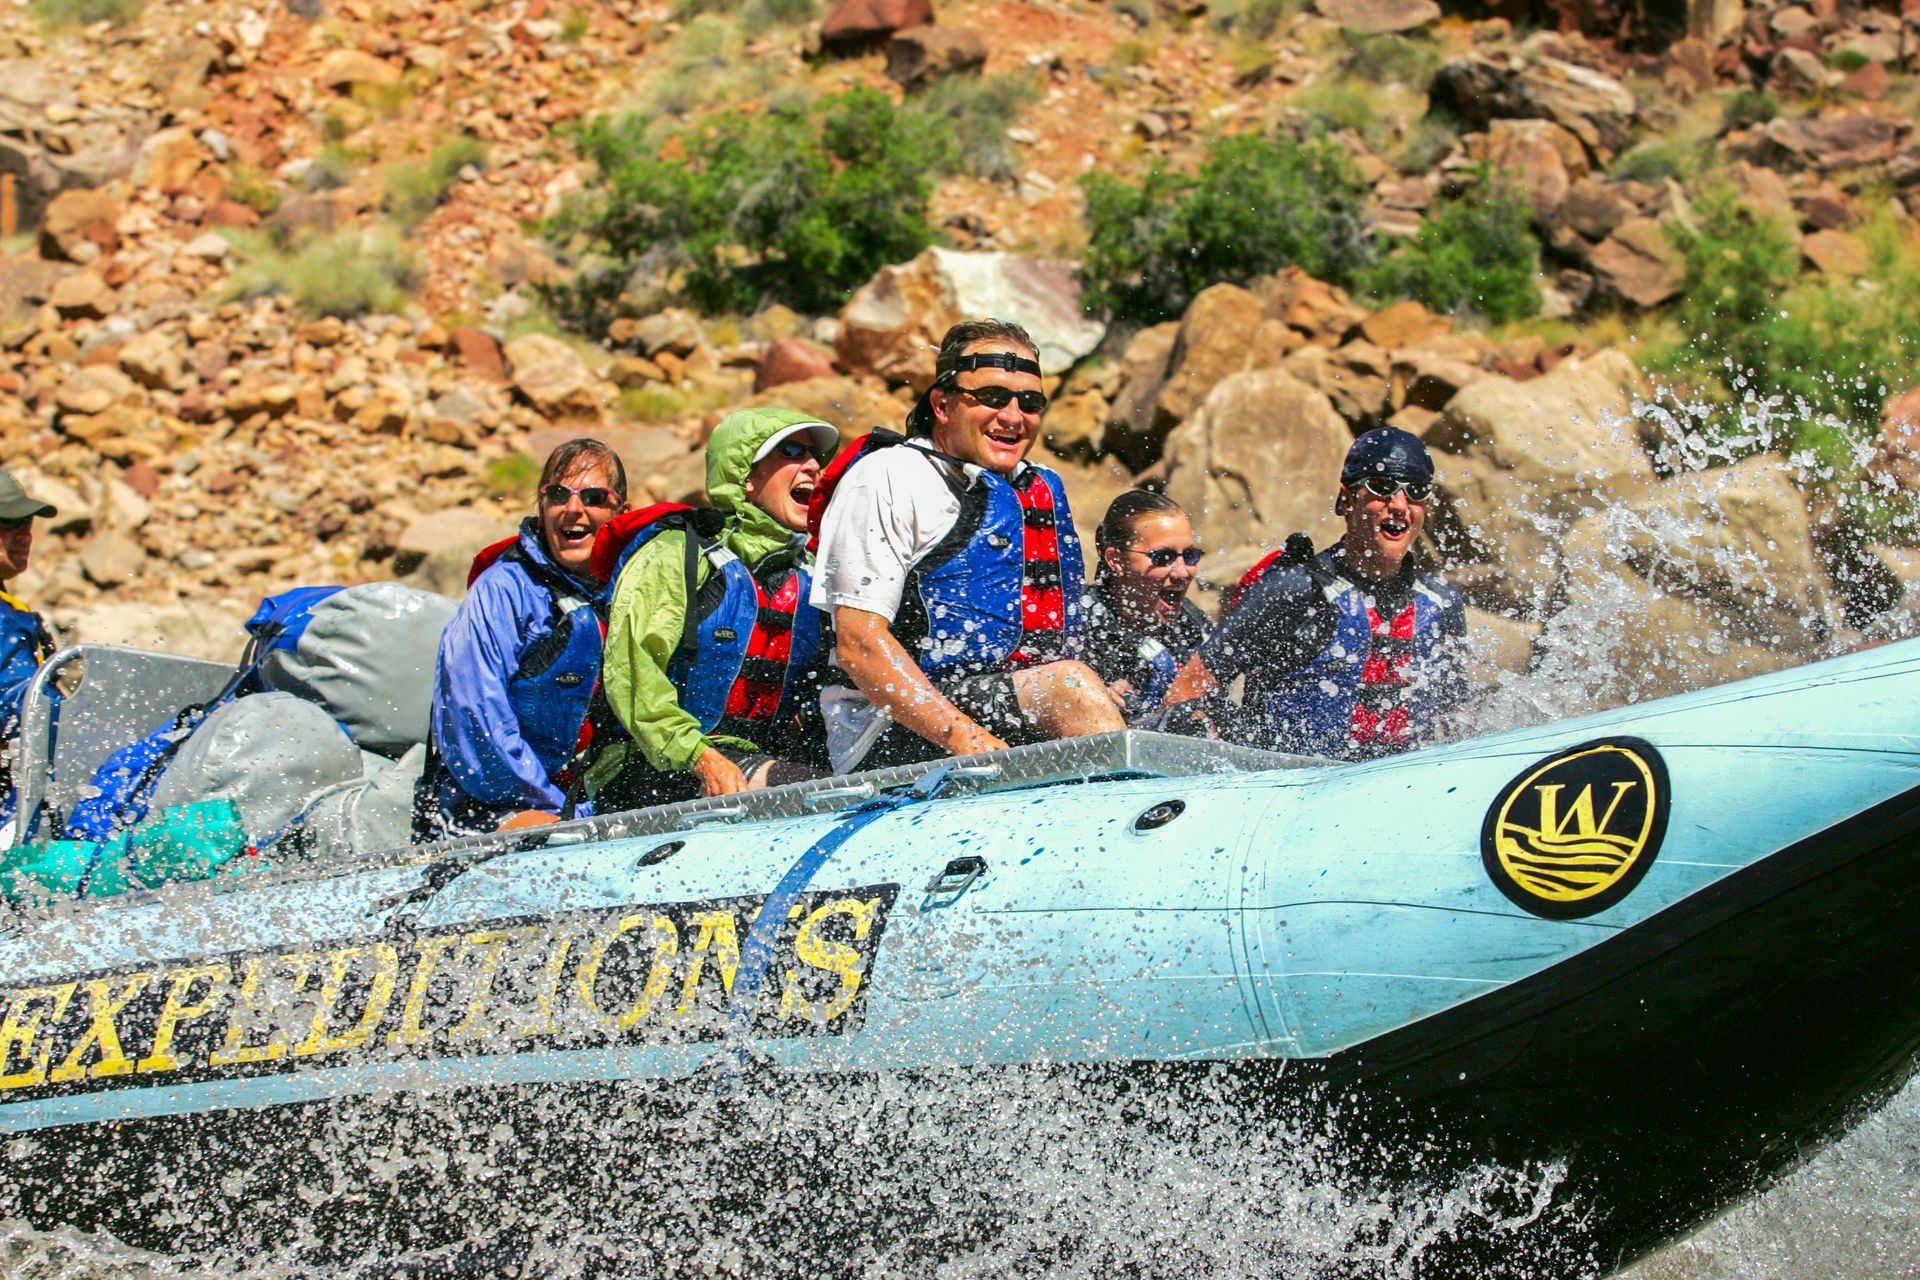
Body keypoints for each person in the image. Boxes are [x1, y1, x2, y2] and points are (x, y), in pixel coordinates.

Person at [810, 318, 1125, 773]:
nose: (1013, 417)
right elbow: (859, 645)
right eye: (993, 397)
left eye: (1030, 403)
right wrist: (970, 739)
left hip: (1000, 703)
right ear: (942, 404)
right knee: (1070, 690)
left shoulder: (1036, 487)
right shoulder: (888, 477)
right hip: (889, 730)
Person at [1164, 426, 1468, 760]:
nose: (1399, 505)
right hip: (1296, 783)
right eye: (1381, 488)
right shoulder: (1294, 590)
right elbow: (1186, 692)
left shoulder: (1442, 603)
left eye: (1416, 492)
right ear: (1346, 499)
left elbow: (1455, 721)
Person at [588, 406, 838, 806]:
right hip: (655, 769)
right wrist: (701, 757)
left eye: (814, 455)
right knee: (823, 791)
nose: (812, 466)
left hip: (759, 761)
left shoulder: (811, 571)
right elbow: (633, 679)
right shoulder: (674, 555)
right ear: (745, 477)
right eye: (791, 451)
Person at [421, 439, 629, 836]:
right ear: (541, 506)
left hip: (585, 800)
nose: (573, 509)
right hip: (494, 800)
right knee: (561, 840)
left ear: (621, 511)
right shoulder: (501, 590)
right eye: (557, 495)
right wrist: (552, 808)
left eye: (593, 497)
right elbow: (473, 719)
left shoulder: (633, 589)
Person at [1081, 490, 1211, 719]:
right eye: (1163, 557)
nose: (1183, 572)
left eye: (1190, 555)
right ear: (1115, 560)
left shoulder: (1192, 626)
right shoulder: (1078, 623)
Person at [0, 470, 58, 826]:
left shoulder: (11, 611)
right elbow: (27, 713)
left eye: (26, 522)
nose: (24, 534)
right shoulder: (5, 619)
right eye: (8, 523)